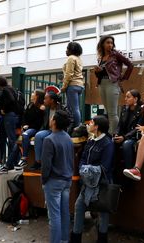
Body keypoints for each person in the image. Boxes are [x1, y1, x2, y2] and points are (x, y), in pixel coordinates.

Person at [70, 115, 114, 243]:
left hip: (103, 184)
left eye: (91, 122)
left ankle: (102, 239)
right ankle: (76, 238)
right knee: (79, 207)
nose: (88, 124)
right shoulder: (90, 141)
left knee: (103, 212)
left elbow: (104, 167)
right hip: (87, 184)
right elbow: (82, 159)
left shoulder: (107, 143)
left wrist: (85, 170)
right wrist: (84, 170)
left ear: (97, 127)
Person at [41, 110, 74, 243]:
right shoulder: (67, 137)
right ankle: (65, 240)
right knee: (64, 213)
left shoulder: (49, 140)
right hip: (67, 179)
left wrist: (44, 180)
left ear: (54, 121)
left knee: (54, 215)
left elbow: (46, 165)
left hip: (53, 181)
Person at [0, 89, 45, 173]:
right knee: (16, 145)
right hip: (28, 128)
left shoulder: (42, 108)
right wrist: (23, 125)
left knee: (25, 135)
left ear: (37, 96)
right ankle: (7, 165)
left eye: (33, 93)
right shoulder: (30, 105)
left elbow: (39, 122)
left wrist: (28, 126)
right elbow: (24, 116)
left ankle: (24, 158)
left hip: (34, 129)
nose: (32, 94)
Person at [94, 35, 133, 135]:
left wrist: (123, 78)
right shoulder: (101, 57)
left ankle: (112, 135)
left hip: (112, 84)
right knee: (107, 111)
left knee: (112, 113)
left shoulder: (116, 54)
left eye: (111, 43)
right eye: (107, 42)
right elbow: (102, 73)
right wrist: (97, 71)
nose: (110, 45)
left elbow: (130, 64)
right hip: (102, 84)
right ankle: (109, 133)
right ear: (102, 44)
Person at [29, 89, 73, 171]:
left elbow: (71, 120)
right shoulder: (46, 109)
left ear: (52, 100)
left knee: (47, 140)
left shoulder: (62, 108)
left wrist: (67, 132)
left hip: (59, 130)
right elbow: (43, 122)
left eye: (46, 98)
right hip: (49, 130)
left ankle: (49, 163)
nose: (44, 100)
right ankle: (38, 161)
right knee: (38, 135)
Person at [113, 89, 144, 169]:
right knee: (111, 142)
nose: (125, 99)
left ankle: (129, 170)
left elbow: (138, 128)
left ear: (135, 99)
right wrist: (116, 133)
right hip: (123, 135)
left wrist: (124, 137)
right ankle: (114, 171)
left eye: (128, 97)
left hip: (134, 137)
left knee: (126, 144)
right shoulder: (124, 109)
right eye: (125, 97)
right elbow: (119, 125)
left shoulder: (141, 110)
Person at [61, 42, 84, 128]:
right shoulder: (79, 59)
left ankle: (76, 128)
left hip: (72, 85)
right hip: (80, 85)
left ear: (71, 50)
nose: (66, 50)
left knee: (73, 109)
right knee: (75, 108)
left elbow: (69, 74)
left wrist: (64, 86)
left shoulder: (71, 58)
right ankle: (75, 126)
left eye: (67, 49)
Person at [0, 76, 20, 161]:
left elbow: (11, 99)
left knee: (11, 139)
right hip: (13, 115)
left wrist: (4, 109)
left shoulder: (6, 90)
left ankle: (15, 160)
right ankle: (13, 160)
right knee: (10, 138)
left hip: (9, 115)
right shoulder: (11, 88)